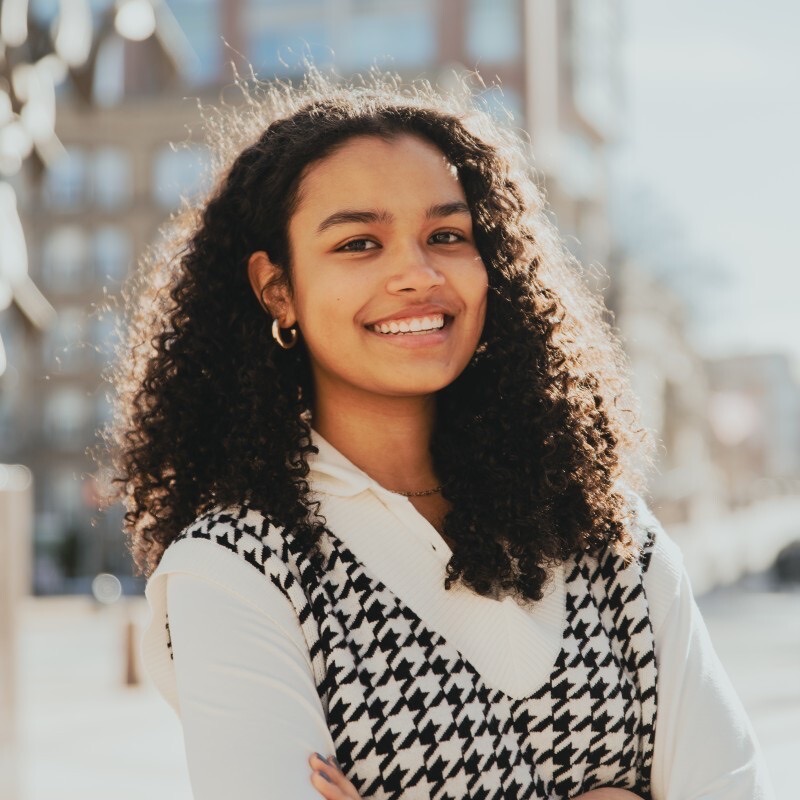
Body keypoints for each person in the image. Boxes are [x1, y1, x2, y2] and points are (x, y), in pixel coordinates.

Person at [108, 72, 774, 799]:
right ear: (278, 288)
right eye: (360, 243)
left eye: (447, 236)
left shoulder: (608, 535)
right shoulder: (234, 569)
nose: (417, 273)